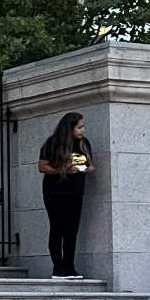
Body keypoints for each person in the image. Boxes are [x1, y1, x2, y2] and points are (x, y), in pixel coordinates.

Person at [38, 112, 95, 279]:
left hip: (76, 192)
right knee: (58, 228)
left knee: (72, 230)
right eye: (79, 127)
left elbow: (90, 165)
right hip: (55, 192)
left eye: (83, 127)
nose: (82, 130)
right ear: (69, 128)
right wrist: (62, 170)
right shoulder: (53, 143)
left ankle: (70, 267)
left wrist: (82, 169)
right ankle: (58, 268)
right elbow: (42, 166)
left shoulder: (84, 144)